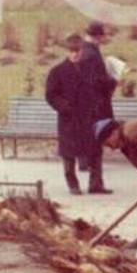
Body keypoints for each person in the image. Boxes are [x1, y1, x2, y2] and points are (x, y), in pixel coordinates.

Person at [45, 34, 105, 195]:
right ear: (66, 51)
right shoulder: (57, 72)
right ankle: (73, 185)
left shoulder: (89, 69)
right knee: (68, 153)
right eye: (71, 50)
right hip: (69, 118)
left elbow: (100, 88)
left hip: (88, 117)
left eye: (78, 50)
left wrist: (97, 104)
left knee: (96, 150)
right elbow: (51, 95)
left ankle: (96, 185)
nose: (75, 54)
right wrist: (65, 107)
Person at [77, 21, 118, 193]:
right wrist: (114, 80)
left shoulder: (83, 51)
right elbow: (96, 81)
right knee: (96, 145)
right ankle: (95, 183)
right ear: (98, 36)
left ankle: (95, 181)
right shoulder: (92, 54)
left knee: (93, 143)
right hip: (96, 107)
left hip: (86, 106)